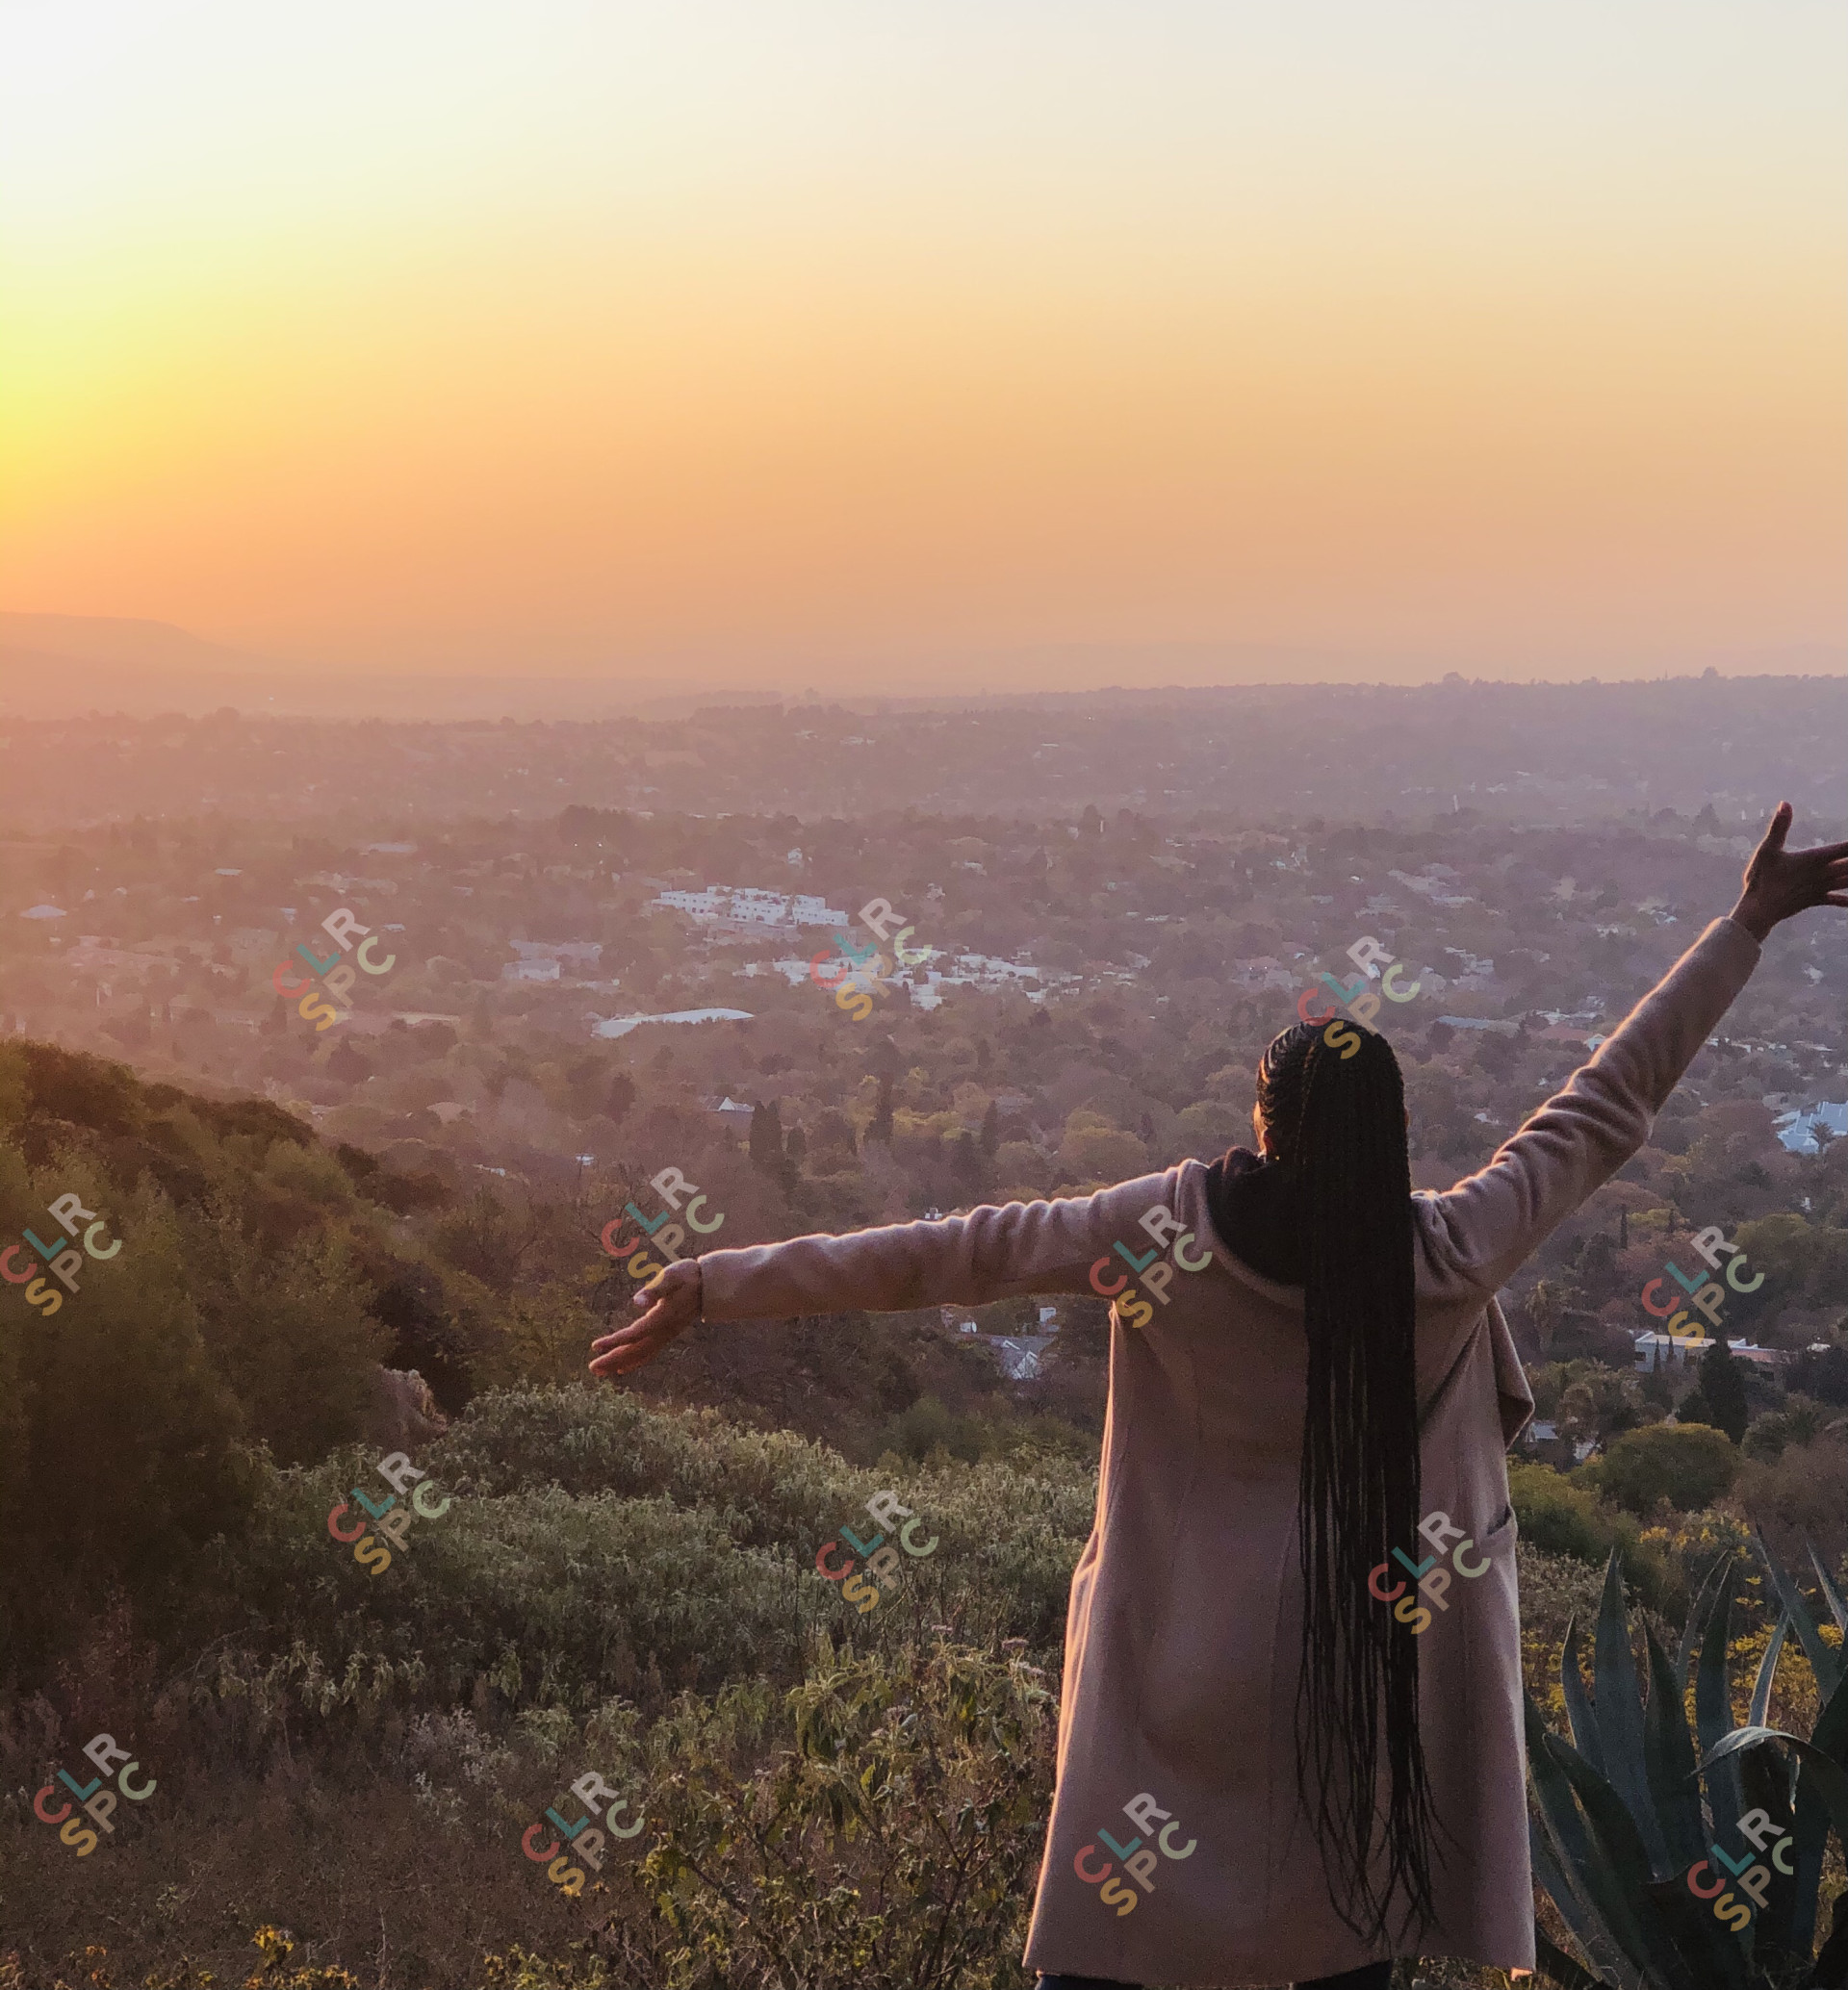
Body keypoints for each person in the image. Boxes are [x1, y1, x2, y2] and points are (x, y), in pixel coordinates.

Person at [588, 804, 1848, 1988]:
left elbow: (944, 1252)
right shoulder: (1454, 1252)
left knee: (1118, 1940)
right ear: (1389, 1135)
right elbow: (1609, 1101)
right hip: (1366, 1675)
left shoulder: (1163, 1230)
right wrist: (1744, 925)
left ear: (1267, 1120)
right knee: (1353, 1926)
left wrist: (714, 1281)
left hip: (1183, 1666)